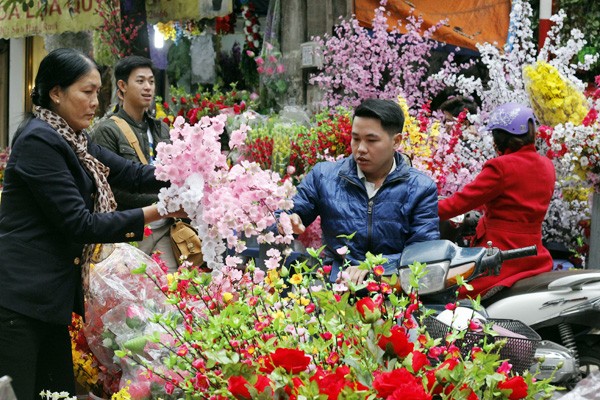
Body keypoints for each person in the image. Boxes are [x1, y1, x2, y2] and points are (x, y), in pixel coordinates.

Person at [0, 48, 185, 400]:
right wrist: (161, 211)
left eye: (97, 92)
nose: (95, 103)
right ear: (56, 93)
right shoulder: (40, 140)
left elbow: (130, 173)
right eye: (86, 92)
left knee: (58, 394)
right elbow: (80, 223)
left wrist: (185, 171)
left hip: (48, 301)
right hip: (18, 301)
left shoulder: (76, 141)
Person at [287, 99, 440, 285]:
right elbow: (292, 212)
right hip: (336, 287)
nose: (360, 149)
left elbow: (423, 253)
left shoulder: (420, 188)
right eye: (356, 138)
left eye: (371, 140)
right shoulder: (324, 177)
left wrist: (372, 266)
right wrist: (287, 221)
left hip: (394, 290)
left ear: (396, 141)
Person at [438, 102, 555, 300]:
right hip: (533, 255)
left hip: (501, 256)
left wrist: (421, 209)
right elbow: (514, 201)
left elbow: (460, 203)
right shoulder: (547, 165)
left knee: (453, 296)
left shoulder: (501, 167)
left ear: (501, 138)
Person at [90, 56, 178, 272]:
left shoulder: (161, 129)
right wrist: (166, 204)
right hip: (129, 230)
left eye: (151, 81)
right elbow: (112, 190)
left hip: (165, 227)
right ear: (122, 86)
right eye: (140, 81)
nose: (148, 87)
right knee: (132, 295)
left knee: (170, 291)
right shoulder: (107, 131)